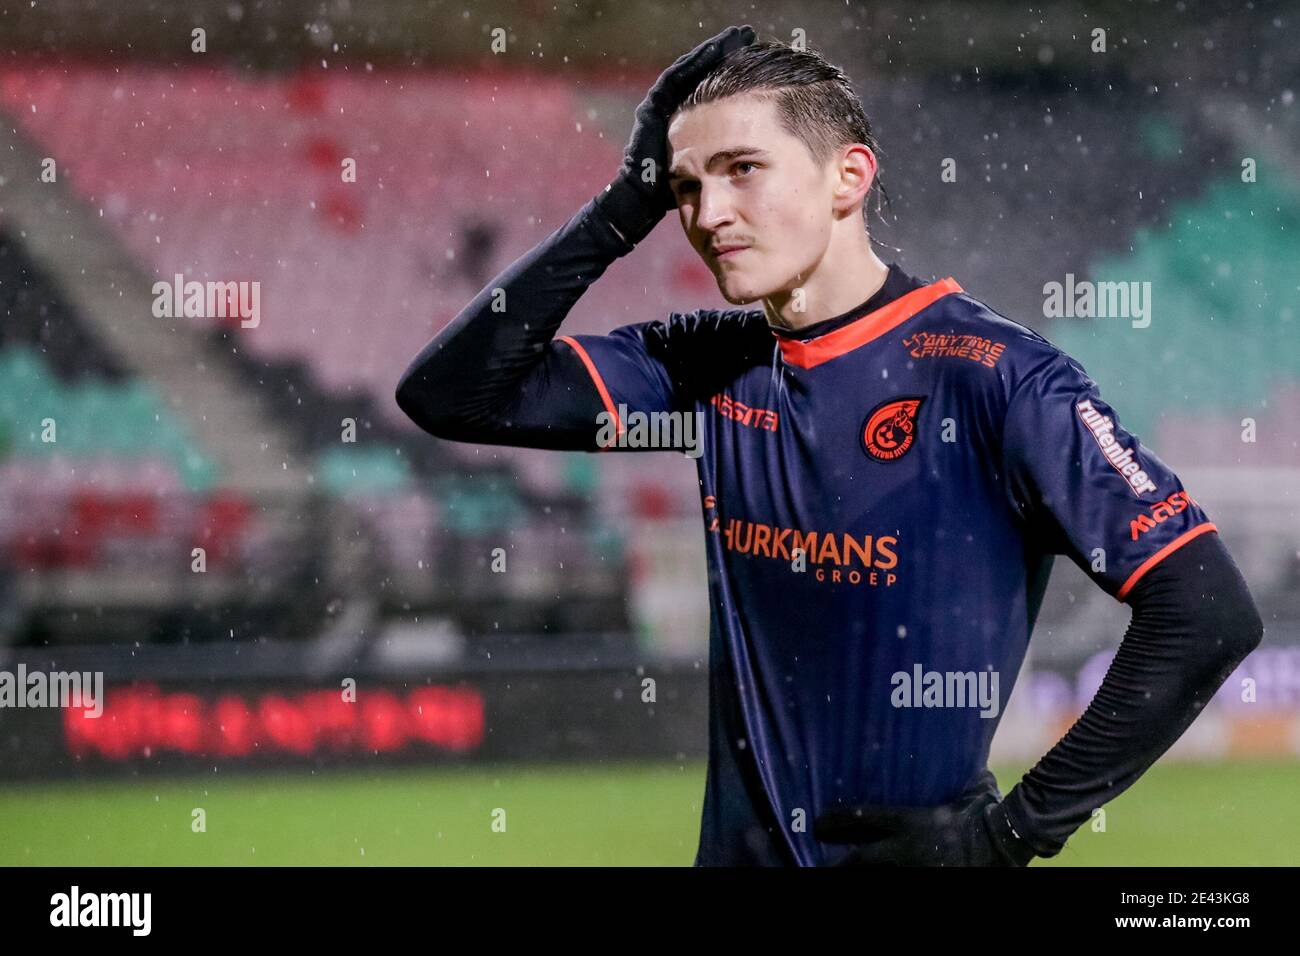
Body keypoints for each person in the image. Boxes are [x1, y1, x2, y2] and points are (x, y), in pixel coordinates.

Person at [396, 27, 1263, 866]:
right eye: (686, 186)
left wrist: (1011, 838)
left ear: (848, 177)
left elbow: (1206, 612)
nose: (708, 213)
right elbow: (451, 395)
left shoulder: (999, 378)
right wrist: (622, 209)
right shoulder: (708, 364)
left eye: (743, 170)